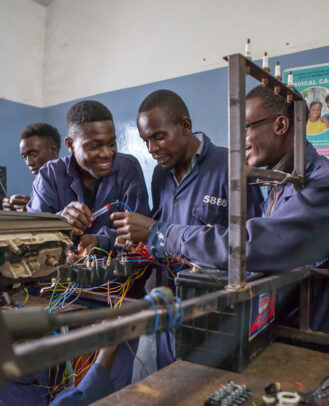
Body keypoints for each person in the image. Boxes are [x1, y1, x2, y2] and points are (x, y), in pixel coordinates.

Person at [112, 86, 329, 333]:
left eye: (245, 128)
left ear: (280, 126)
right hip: (187, 307)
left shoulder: (320, 182)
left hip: (308, 334)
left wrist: (164, 234)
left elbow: (253, 244)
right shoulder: (282, 181)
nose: (239, 140)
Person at [112, 89, 264, 372]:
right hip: (172, 303)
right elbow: (163, 225)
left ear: (185, 126)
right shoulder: (160, 174)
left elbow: (253, 246)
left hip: (218, 311)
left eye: (158, 136)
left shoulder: (231, 166)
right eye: (146, 141)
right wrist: (142, 242)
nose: (151, 149)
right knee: (169, 381)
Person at [27, 100, 150, 293]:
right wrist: (60, 222)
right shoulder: (49, 175)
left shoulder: (127, 168)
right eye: (94, 146)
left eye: (111, 143)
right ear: (70, 144)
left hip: (118, 292)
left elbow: (140, 235)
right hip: (62, 293)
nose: (107, 153)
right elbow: (31, 238)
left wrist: (100, 241)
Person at [2, 123, 61, 211]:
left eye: (33, 154)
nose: (29, 163)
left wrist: (34, 207)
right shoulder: (39, 185)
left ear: (53, 149)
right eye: (25, 157)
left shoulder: (73, 180)